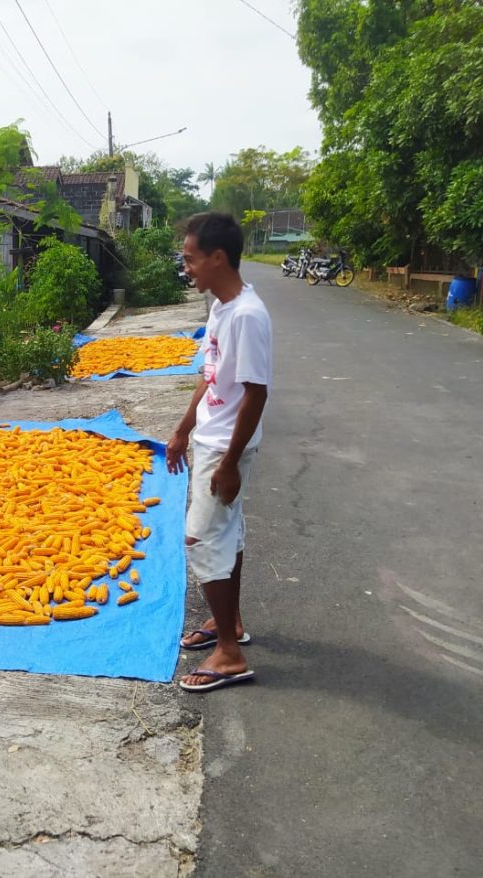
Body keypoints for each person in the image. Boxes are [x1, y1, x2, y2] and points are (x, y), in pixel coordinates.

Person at [166, 213, 273, 693]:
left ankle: (229, 654)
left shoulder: (247, 317)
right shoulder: (221, 308)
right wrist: (182, 429)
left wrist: (229, 463)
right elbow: (212, 377)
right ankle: (229, 622)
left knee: (200, 538)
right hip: (211, 437)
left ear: (218, 258)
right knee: (227, 534)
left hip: (225, 446)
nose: (185, 267)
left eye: (190, 259)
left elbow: (255, 393)